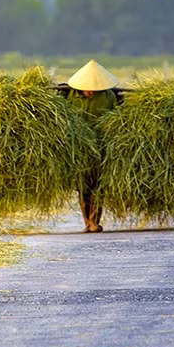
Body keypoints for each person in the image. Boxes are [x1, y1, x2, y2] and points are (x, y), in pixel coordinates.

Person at [60, 59, 121, 233]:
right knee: (83, 186)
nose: (92, 91)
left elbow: (116, 116)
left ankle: (94, 221)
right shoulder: (70, 96)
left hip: (101, 145)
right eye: (88, 88)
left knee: (98, 185)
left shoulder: (108, 96)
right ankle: (87, 222)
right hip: (79, 147)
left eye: (95, 88)